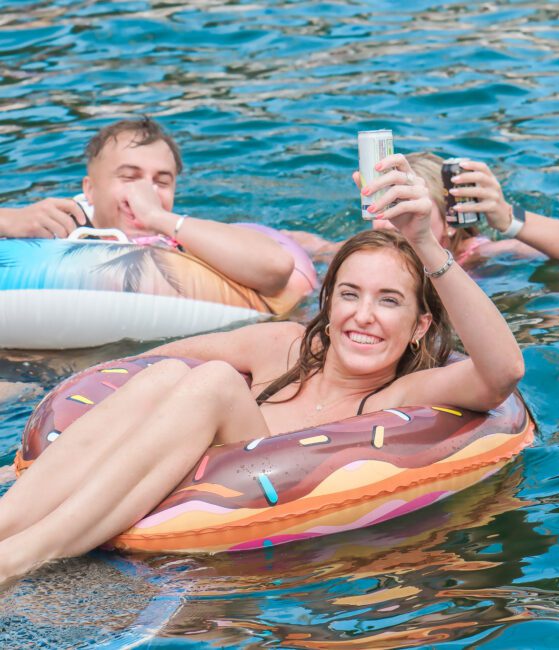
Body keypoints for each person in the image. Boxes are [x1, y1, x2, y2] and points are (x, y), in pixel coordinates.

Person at [0, 154, 524, 583]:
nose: (363, 316)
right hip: (154, 491)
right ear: (328, 306)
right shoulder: (283, 346)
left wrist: (426, 242)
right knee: (162, 375)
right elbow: (138, 368)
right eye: (349, 295)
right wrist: (47, 457)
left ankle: (20, 558)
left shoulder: (401, 394)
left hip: (249, 574)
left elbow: (503, 371)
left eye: (389, 301)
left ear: (417, 325)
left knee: (215, 381)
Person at [0, 117, 294, 297]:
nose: (146, 191)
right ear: (89, 189)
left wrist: (157, 217)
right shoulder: (58, 224)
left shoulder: (175, 235)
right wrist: (8, 220)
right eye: (129, 177)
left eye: (162, 182)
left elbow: (276, 267)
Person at [288, 152, 559, 264]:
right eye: (385, 210)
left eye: (406, 212)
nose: (391, 225)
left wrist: (507, 218)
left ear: (450, 222)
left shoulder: (478, 256)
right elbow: (301, 243)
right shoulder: (367, 251)